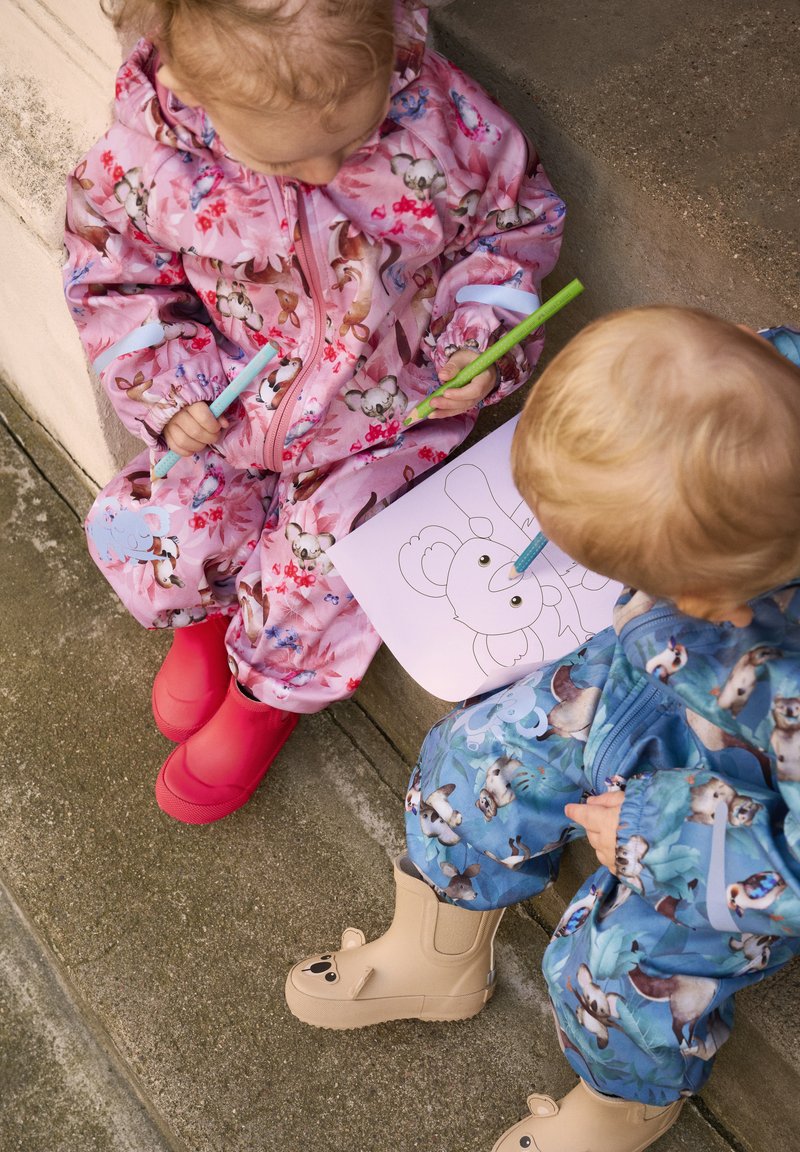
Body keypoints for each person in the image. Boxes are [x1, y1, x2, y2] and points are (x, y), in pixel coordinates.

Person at [286, 308, 800, 1152]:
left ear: (710, 597)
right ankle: (438, 952)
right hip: (640, 688)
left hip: (738, 823)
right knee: (477, 756)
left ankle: (622, 1102)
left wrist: (661, 837)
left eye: (628, 572)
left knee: (629, 961)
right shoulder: (753, 397)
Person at [63, 0, 564, 823]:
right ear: (192, 88)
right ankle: (203, 618)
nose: (328, 172)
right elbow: (113, 275)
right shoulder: (148, 162)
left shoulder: (443, 123)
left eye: (351, 139)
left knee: (332, 562)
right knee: (167, 525)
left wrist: (480, 340)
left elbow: (510, 228)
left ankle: (265, 697)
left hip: (388, 412)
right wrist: (170, 388)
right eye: (292, 157)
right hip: (230, 401)